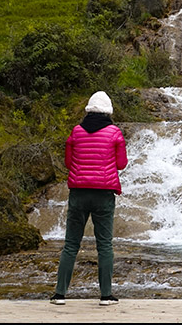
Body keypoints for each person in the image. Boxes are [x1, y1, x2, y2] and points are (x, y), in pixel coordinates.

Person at [50, 90, 128, 306]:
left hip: (79, 192)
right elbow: (121, 164)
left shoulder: (76, 131)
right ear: (108, 111)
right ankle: (105, 296)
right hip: (104, 194)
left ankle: (59, 295)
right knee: (104, 245)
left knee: (71, 244)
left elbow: (68, 162)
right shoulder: (114, 133)